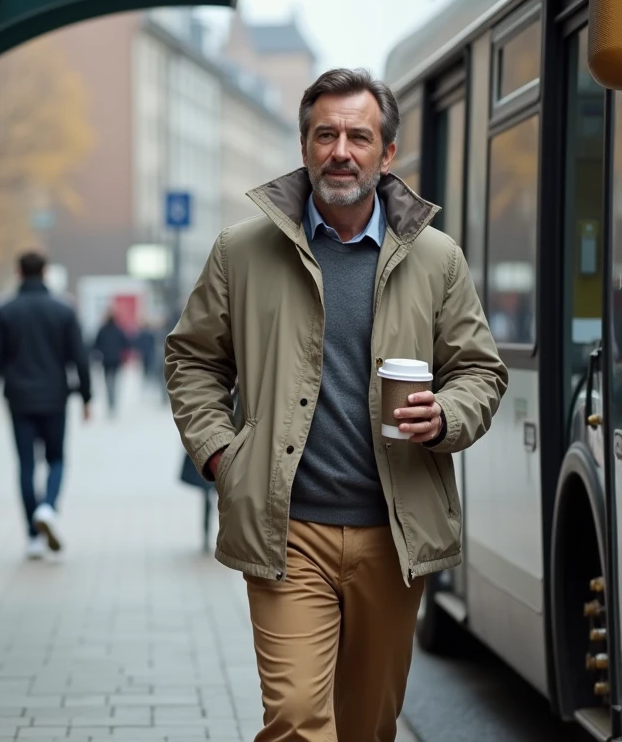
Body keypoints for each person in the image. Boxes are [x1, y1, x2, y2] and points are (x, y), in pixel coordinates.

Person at [163, 68, 508, 742]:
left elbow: (478, 370)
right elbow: (192, 359)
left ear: (387, 154)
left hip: (394, 530)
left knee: (367, 726)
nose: (340, 150)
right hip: (288, 529)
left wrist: (448, 415)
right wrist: (219, 455)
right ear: (304, 145)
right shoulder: (242, 251)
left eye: (358, 135)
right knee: (295, 718)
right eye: (325, 135)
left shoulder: (437, 259)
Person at [0, 251, 92, 560]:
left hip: (19, 399)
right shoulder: (63, 311)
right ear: (45, 273)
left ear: (18, 272)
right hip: (55, 398)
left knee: (26, 465)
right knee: (56, 459)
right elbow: (79, 357)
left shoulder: (5, 312)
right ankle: (48, 508)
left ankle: (33, 536)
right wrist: (87, 397)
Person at [91, 308, 131, 416]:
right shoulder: (118, 329)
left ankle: (110, 402)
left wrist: (98, 353)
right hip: (116, 360)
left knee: (108, 382)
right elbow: (127, 343)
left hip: (106, 360)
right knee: (114, 382)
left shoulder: (102, 329)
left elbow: (95, 344)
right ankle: (112, 402)